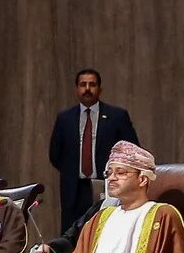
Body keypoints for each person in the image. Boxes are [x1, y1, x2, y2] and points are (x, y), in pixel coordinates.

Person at [39, 143, 184, 253]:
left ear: (142, 179)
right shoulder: (100, 218)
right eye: (108, 173)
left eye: (121, 172)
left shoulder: (163, 215)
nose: (111, 178)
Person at [48, 68, 142, 231]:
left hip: (106, 185)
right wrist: (71, 172)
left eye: (92, 85)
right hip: (74, 189)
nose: (87, 89)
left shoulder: (117, 116)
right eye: (83, 85)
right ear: (77, 89)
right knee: (72, 234)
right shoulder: (65, 118)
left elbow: (131, 150)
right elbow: (55, 154)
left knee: (105, 229)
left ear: (100, 89)